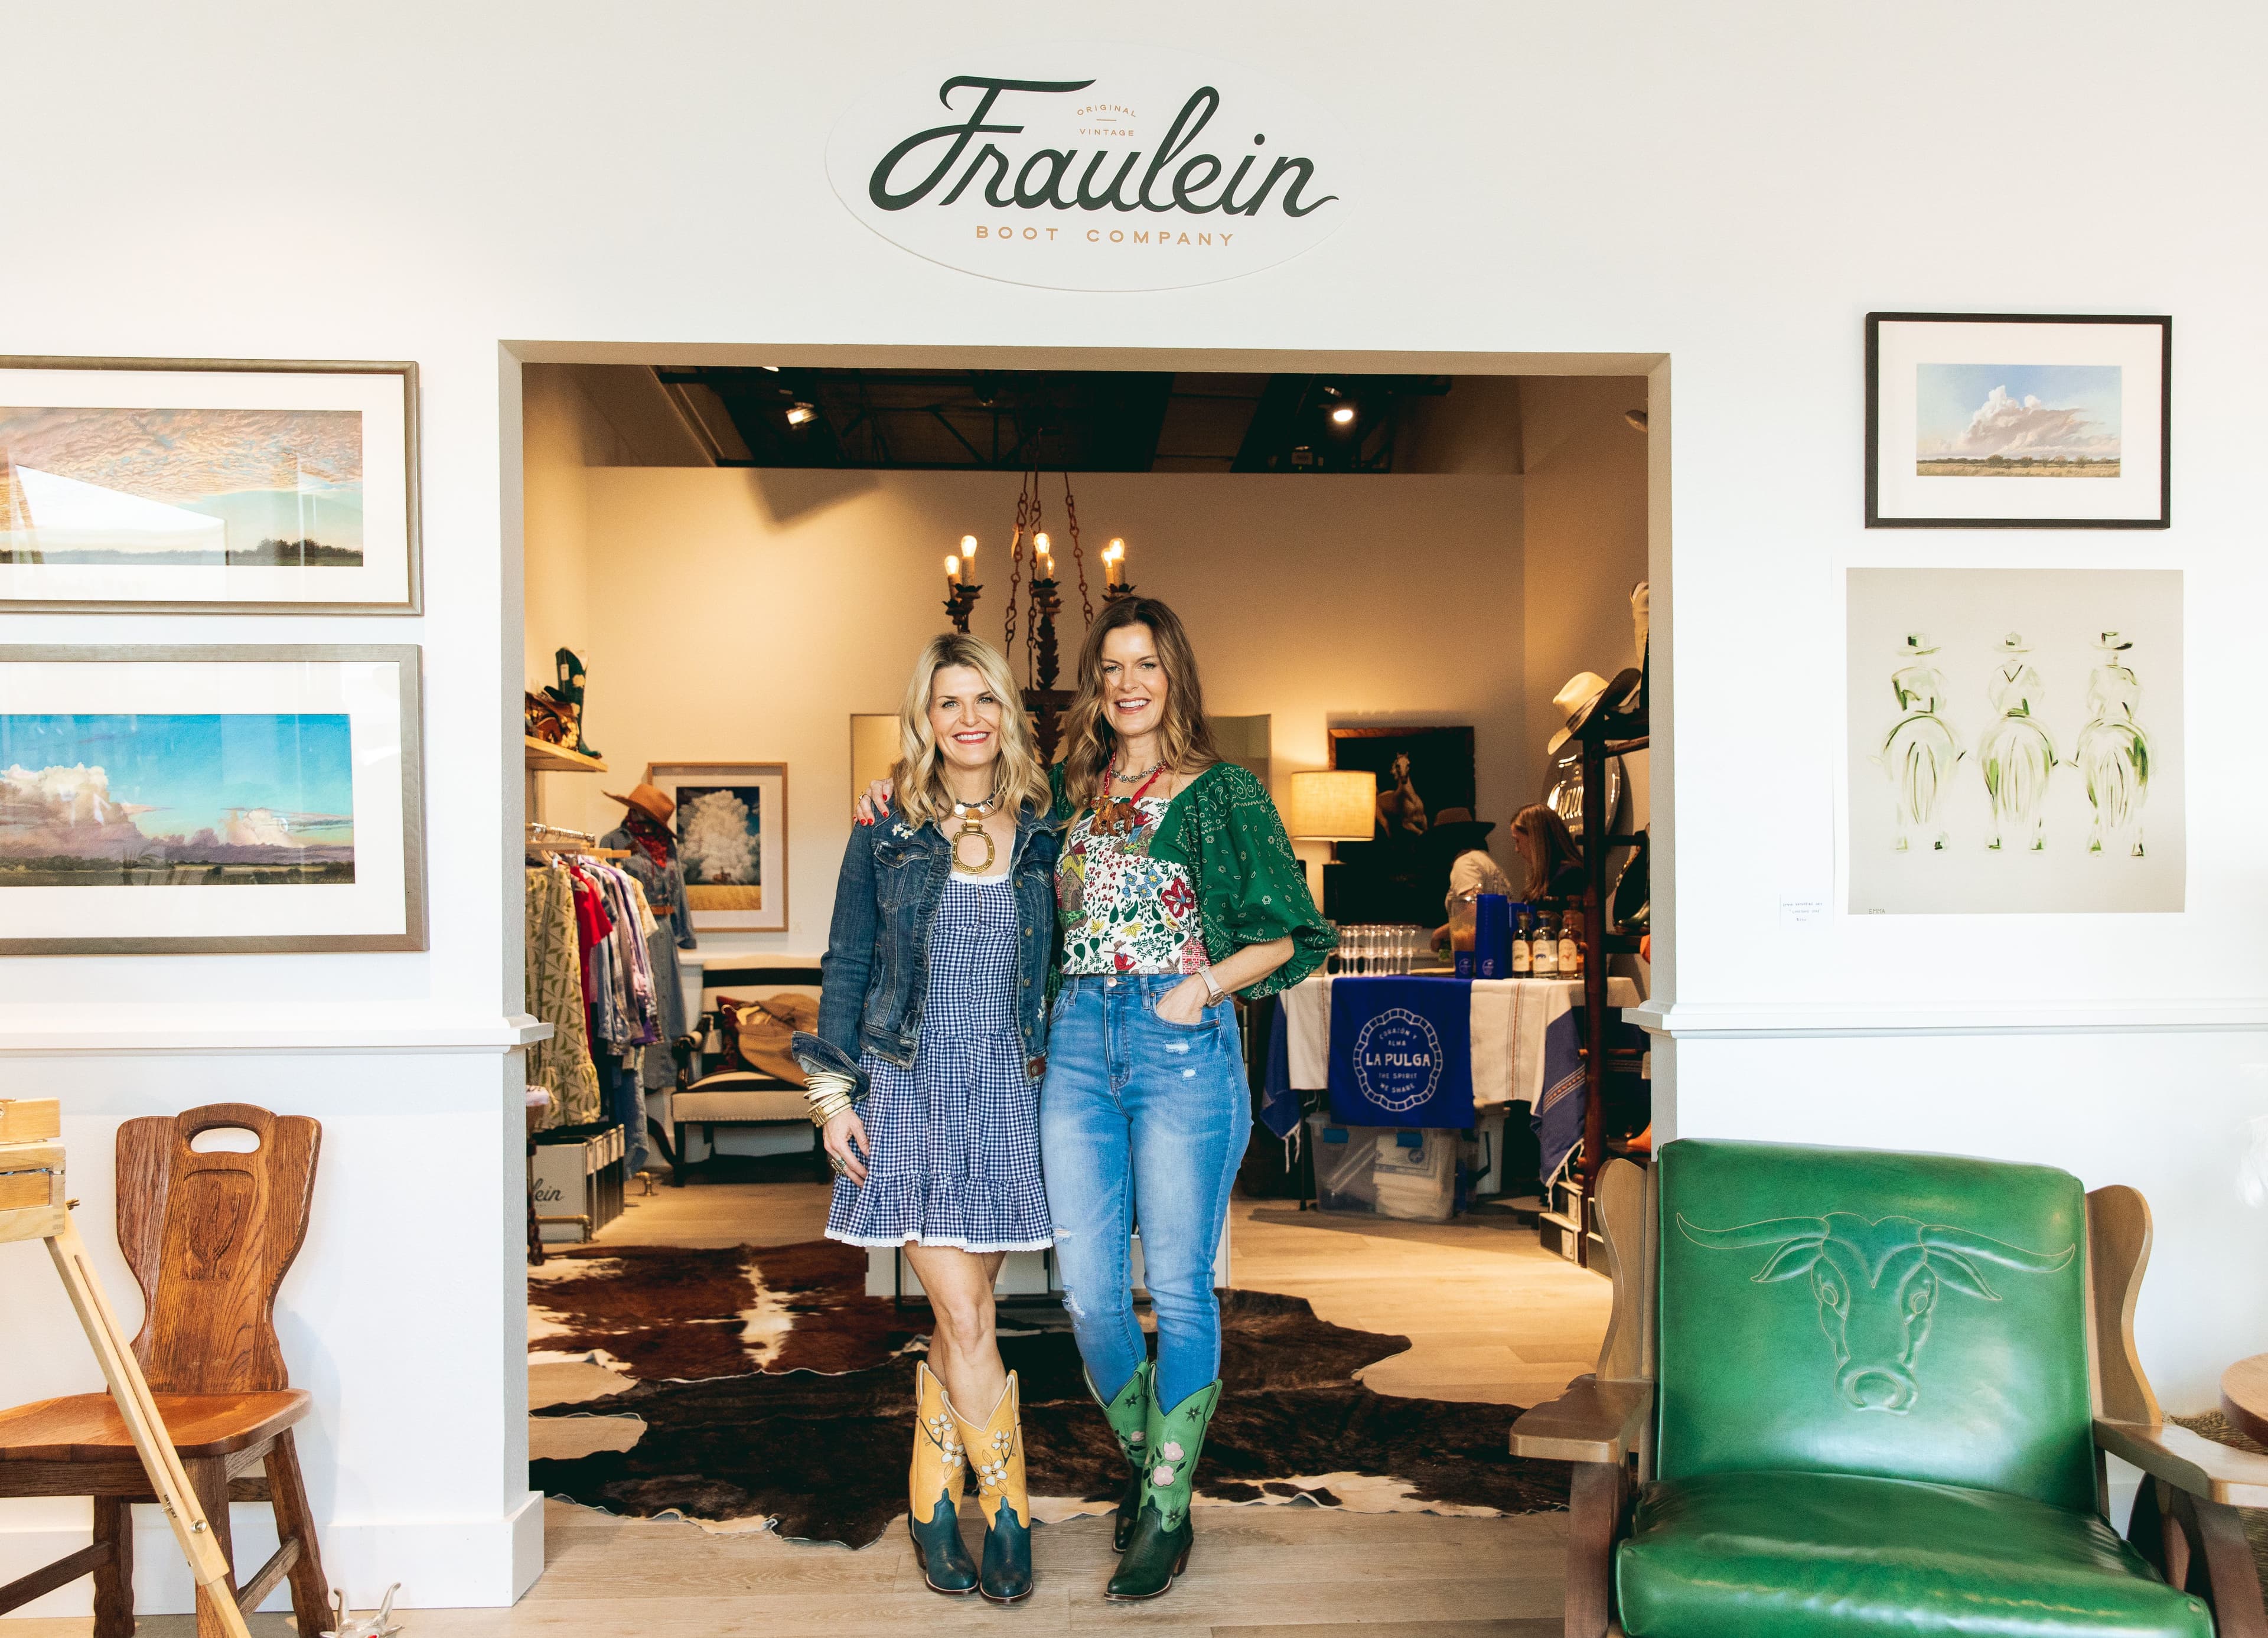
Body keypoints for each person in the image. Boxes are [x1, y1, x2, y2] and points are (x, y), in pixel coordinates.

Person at [859, 598, 1334, 1603]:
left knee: (1182, 1283)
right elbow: (964, 833)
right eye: (1112, 666)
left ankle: (1162, 1504)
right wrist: (895, 796)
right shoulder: (1070, 800)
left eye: (1147, 664)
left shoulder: (1222, 790)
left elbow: (1290, 931)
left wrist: (1202, 984)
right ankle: (1158, 1461)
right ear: (1095, 682)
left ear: (1176, 676)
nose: (1128, 683)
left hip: (1178, 1046)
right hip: (1072, 1044)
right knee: (1086, 1292)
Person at [793, 634, 1060, 1604]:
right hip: (905, 1085)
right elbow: (847, 963)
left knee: (968, 1312)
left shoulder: (1048, 818)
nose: (969, 719)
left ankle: (929, 1496)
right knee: (963, 1308)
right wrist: (832, 1094)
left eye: (985, 698)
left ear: (1008, 714)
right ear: (926, 718)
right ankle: (1012, 1514)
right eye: (949, 702)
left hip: (1008, 1088)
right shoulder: (887, 828)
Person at [1426, 807, 1513, 949]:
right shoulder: (1487, 863)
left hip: (1477, 956)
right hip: (1498, 952)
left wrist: (1439, 934)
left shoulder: (1465, 863)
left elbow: (1474, 913)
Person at [1510, 802, 1586, 906]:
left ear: (1535, 839)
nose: (1517, 849)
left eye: (1518, 840)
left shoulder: (1570, 875)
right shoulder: (1549, 876)